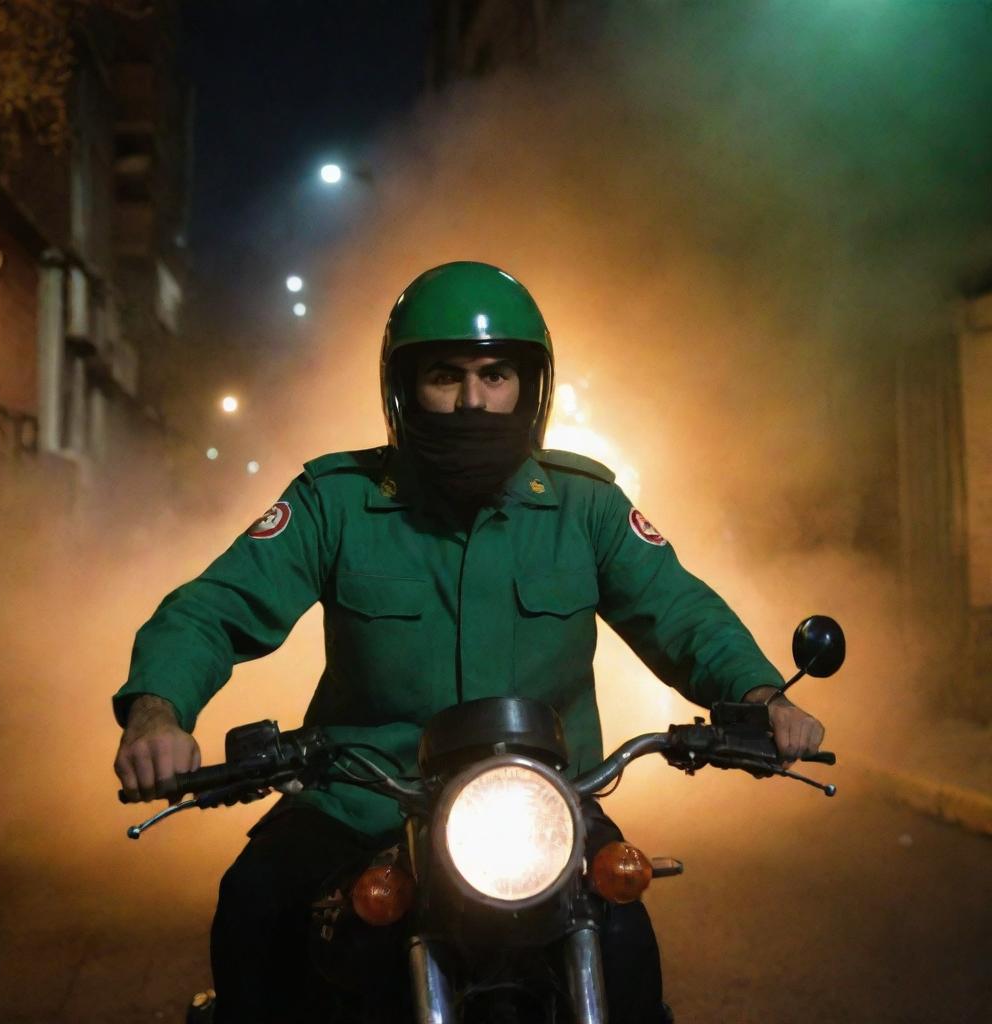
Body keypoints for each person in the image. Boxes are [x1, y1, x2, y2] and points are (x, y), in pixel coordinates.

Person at [113, 261, 825, 1023]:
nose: (472, 400)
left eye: (495, 375)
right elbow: (215, 607)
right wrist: (158, 713)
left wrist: (758, 696)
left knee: (627, 953)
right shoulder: (337, 502)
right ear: (402, 388)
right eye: (446, 376)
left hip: (548, 810)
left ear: (530, 386)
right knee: (254, 908)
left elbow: (682, 613)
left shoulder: (584, 506)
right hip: (364, 802)